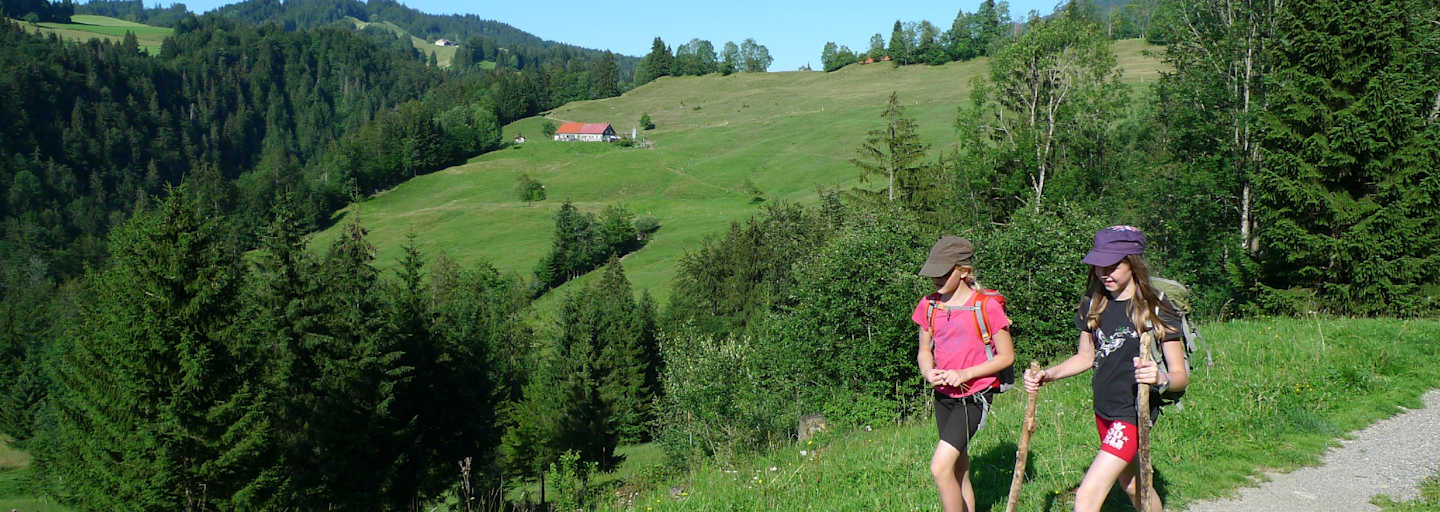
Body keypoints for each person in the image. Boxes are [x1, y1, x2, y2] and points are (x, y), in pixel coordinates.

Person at [1023, 226, 1190, 512]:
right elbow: (1085, 356)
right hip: (1103, 409)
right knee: (1134, 485)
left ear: (1133, 263)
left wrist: (1160, 377)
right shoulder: (1094, 302)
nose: (1104, 272)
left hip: (1133, 413)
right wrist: (1048, 375)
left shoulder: (1156, 307)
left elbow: (1180, 377)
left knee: (1086, 497)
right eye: (1099, 264)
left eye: (1113, 265)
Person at [913, 236, 1015, 512]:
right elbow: (924, 350)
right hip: (943, 395)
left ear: (963, 271)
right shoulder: (929, 305)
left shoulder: (986, 306)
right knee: (959, 467)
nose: (935, 279)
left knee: (939, 467)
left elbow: (1007, 357)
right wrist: (928, 372)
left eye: (942, 273)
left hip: (974, 396)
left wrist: (964, 374)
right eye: (932, 272)